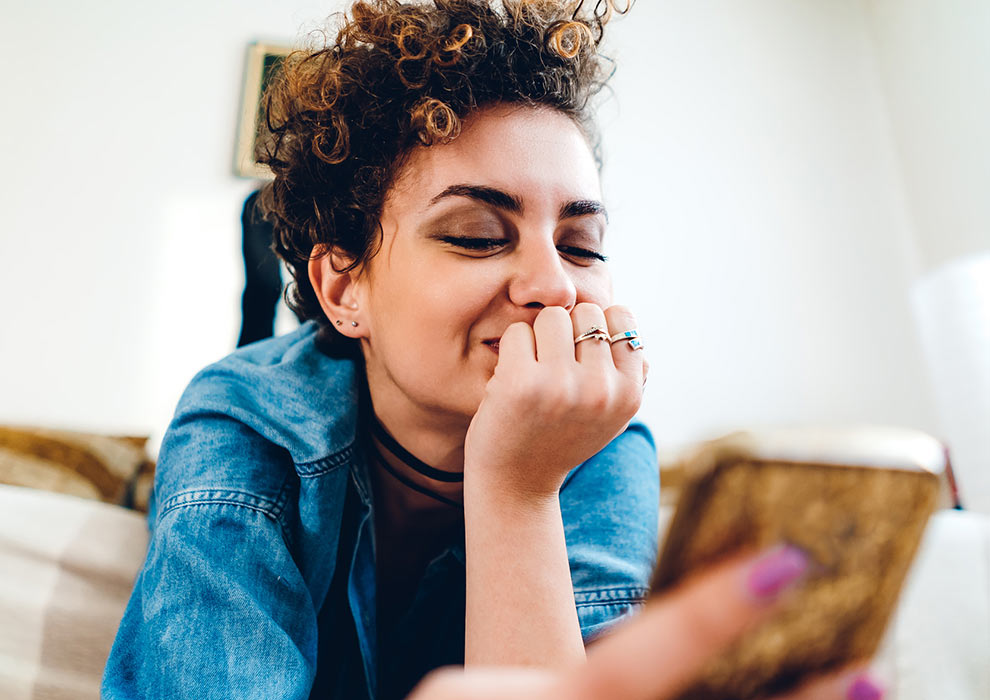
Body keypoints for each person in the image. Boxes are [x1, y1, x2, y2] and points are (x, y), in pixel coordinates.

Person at [103, 2, 658, 699]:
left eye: (581, 246)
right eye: (478, 236)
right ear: (343, 289)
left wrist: (521, 489)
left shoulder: (603, 437)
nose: (554, 286)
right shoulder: (242, 420)